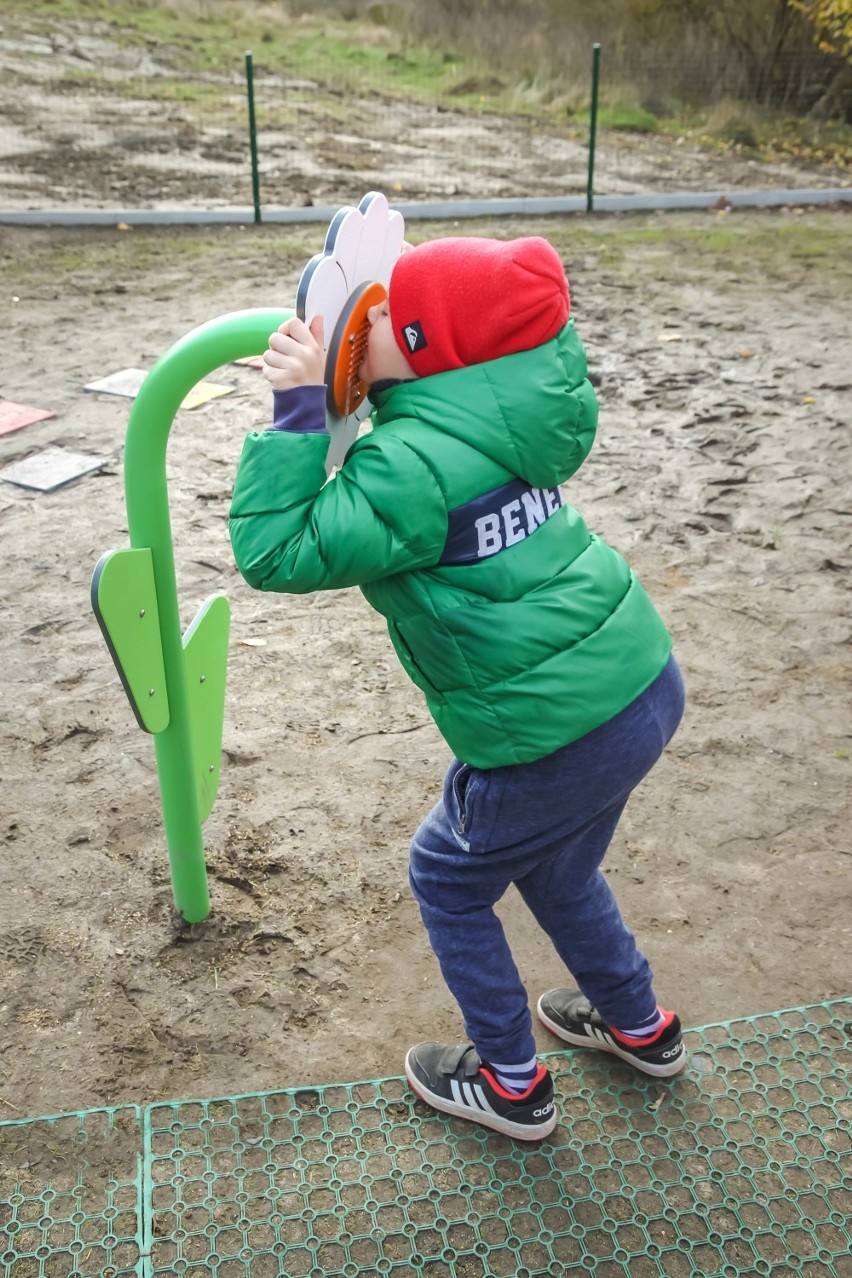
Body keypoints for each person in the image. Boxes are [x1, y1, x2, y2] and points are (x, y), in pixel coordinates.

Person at [229, 234, 686, 1142]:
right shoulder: (511, 420)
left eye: (388, 317)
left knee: (447, 876)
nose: (370, 321)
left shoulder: (411, 467)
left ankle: (512, 1083)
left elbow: (273, 552)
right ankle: (641, 1027)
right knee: (559, 869)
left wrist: (295, 418)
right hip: (639, 686)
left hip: (549, 731)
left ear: (433, 351)